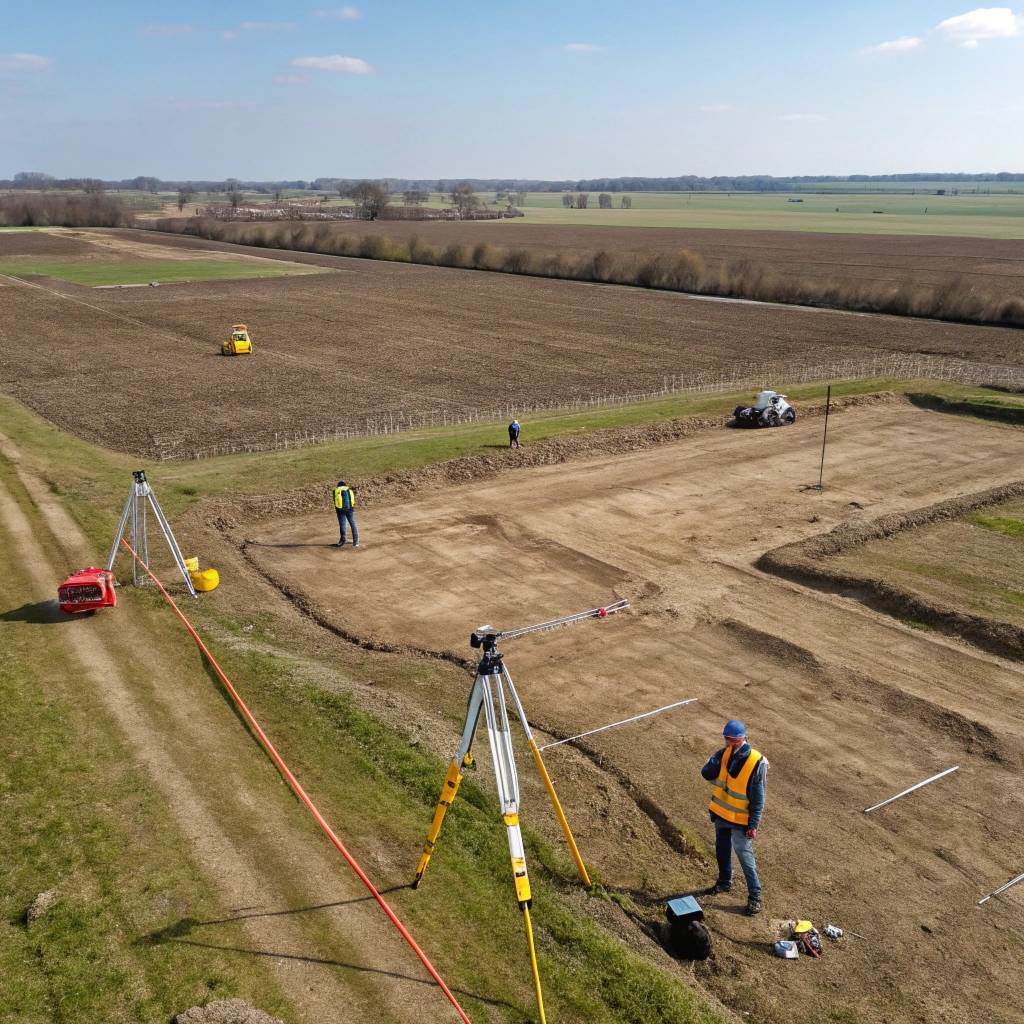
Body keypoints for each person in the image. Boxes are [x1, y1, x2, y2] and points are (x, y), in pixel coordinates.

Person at [701, 719, 767, 915]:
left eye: (731, 740)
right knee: (722, 849)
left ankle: (755, 897)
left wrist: (753, 824)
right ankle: (724, 882)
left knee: (745, 858)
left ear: (741, 739)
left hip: (741, 821)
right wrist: (717, 756)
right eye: (726, 740)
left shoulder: (756, 762)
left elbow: (758, 799)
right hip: (722, 814)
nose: (728, 744)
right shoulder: (726, 753)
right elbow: (706, 773)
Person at [333, 480, 359, 547]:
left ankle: (342, 541)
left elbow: (335, 501)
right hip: (349, 509)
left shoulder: (335, 490)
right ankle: (356, 541)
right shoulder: (349, 490)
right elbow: (353, 499)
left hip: (340, 510)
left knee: (342, 525)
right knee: (353, 524)